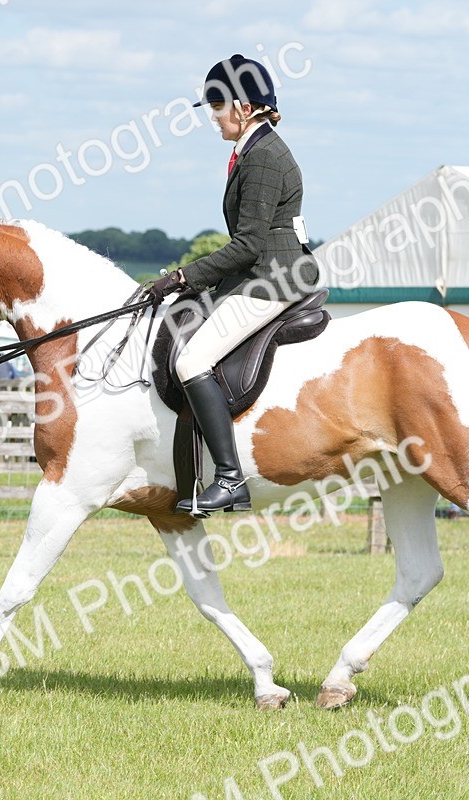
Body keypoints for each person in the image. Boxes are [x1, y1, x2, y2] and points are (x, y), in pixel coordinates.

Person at [148, 54, 321, 515]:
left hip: (272, 278)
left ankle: (229, 478)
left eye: (218, 106)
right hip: (263, 270)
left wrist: (182, 276)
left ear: (244, 107)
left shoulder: (263, 156)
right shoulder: (254, 149)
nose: (213, 117)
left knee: (192, 361)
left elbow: (247, 246)